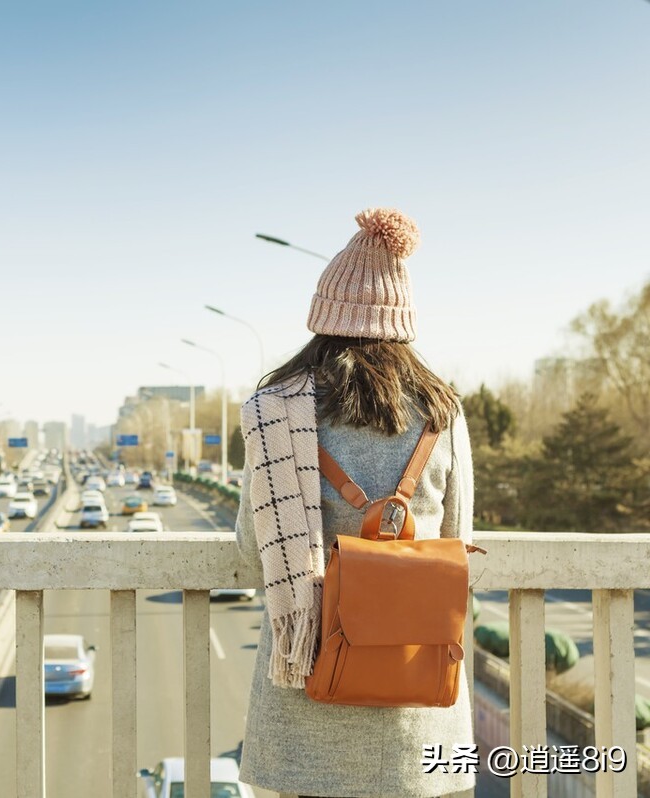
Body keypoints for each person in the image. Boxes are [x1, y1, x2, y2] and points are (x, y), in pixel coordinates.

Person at [234, 208, 476, 797]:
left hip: (306, 696)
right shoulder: (442, 413)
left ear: (322, 315)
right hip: (416, 710)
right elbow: (458, 537)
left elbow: (250, 550)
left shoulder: (275, 411)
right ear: (404, 322)